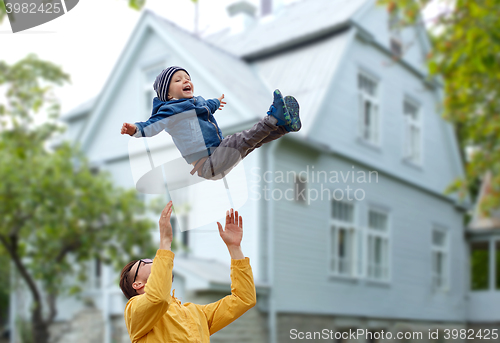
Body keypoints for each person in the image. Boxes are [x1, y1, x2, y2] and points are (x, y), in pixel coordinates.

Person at [120, 66, 301, 180]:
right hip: (207, 165)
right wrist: (135, 129)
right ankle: (274, 117)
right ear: (168, 95)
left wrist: (216, 102)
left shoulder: (197, 102)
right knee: (240, 139)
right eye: (178, 80)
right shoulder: (169, 111)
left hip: (218, 153)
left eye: (187, 78)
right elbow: (151, 125)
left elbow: (208, 105)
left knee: (252, 142)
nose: (186, 80)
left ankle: (283, 126)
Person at [119, 201, 256, 342]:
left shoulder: (196, 313)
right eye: (145, 263)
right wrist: (165, 242)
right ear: (137, 284)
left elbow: (244, 299)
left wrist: (235, 248)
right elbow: (158, 298)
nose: (154, 261)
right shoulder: (133, 310)